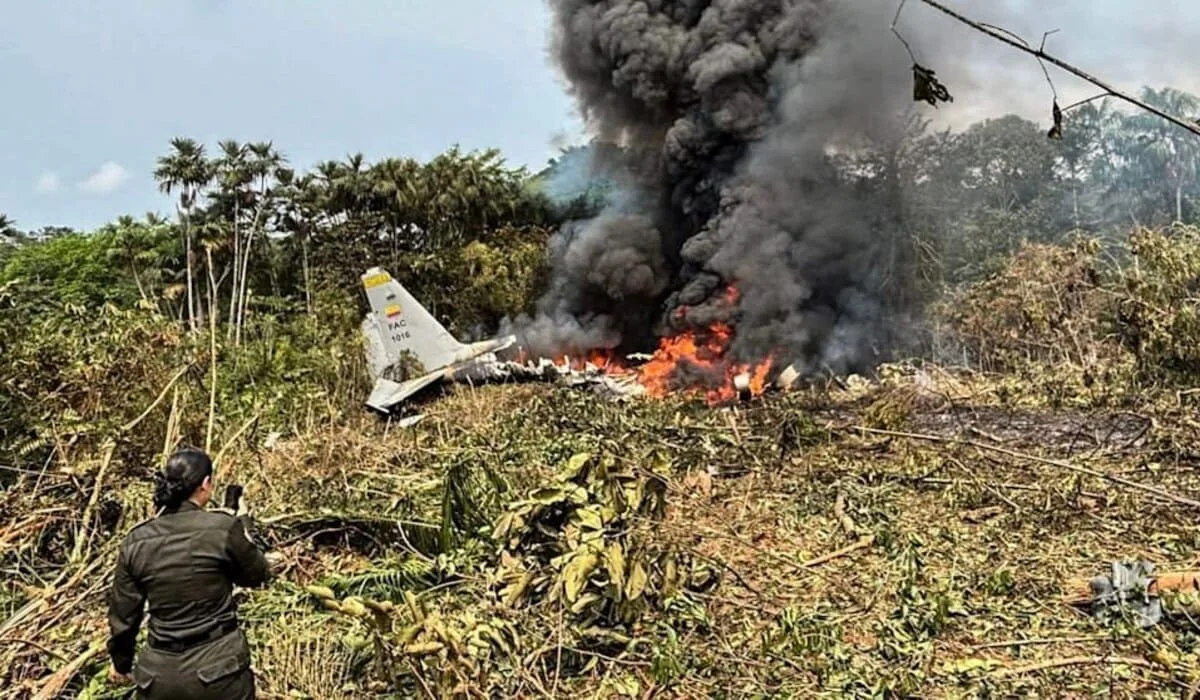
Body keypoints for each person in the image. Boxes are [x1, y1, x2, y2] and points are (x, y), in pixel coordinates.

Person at [106, 447, 272, 699]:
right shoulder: (222, 528)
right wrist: (243, 524)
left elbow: (124, 618)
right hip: (219, 670)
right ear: (205, 484)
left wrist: (121, 664)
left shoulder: (135, 541)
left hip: (158, 677)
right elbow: (257, 575)